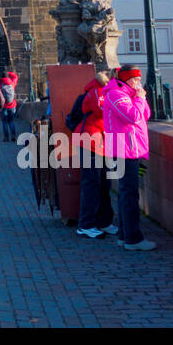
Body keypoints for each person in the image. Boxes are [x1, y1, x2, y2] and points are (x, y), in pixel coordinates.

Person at [102, 65, 155, 251]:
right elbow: (133, 117)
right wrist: (139, 99)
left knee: (126, 193)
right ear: (126, 80)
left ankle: (124, 236)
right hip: (124, 150)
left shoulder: (127, 95)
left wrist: (140, 98)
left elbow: (145, 115)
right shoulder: (116, 94)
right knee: (129, 195)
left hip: (131, 149)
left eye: (139, 80)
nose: (139, 83)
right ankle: (133, 239)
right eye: (136, 80)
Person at [76, 69, 118, 239]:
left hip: (101, 143)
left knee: (103, 184)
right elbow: (104, 111)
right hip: (90, 143)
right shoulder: (96, 91)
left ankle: (104, 221)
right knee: (91, 184)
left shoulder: (104, 91)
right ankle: (85, 225)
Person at [0, 71, 19, 143]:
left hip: (4, 106)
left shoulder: (0, 84)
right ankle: (13, 136)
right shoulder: (12, 83)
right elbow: (16, 76)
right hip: (12, 105)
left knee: (4, 122)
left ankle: (6, 137)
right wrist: (9, 72)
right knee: (11, 121)